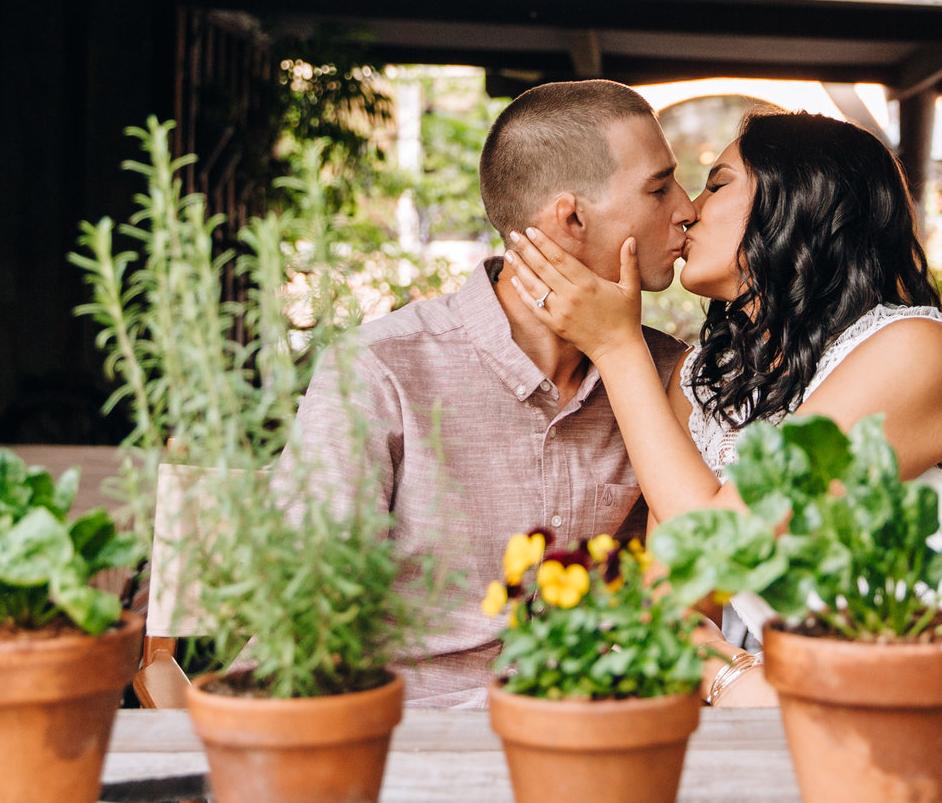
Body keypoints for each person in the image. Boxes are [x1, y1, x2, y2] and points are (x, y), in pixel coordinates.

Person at [505, 109, 942, 706]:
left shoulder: (916, 352)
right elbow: (672, 606)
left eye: (717, 183)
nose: (689, 209)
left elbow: (725, 546)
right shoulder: (704, 381)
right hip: (824, 708)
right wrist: (748, 683)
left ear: (803, 201)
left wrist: (617, 349)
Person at [278, 79, 696, 708]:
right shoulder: (381, 372)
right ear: (572, 219)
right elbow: (307, 617)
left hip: (589, 733)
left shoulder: (662, 378)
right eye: (660, 188)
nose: (687, 209)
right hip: (407, 733)